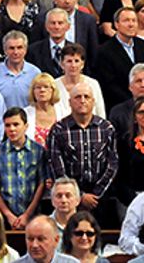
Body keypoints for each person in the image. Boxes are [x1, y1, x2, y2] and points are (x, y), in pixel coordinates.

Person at [47, 82, 118, 225]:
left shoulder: (106, 128)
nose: (82, 100)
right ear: (70, 102)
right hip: (69, 200)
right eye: (78, 97)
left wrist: (96, 195)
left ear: (93, 101)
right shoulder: (58, 130)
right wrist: (79, 196)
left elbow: (112, 164)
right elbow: (56, 166)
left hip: (100, 199)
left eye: (87, 97)